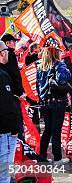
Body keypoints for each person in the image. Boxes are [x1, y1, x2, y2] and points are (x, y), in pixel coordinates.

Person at [36, 46, 71, 163]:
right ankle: (57, 158)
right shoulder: (59, 64)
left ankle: (41, 156)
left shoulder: (40, 67)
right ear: (55, 53)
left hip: (45, 102)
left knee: (47, 130)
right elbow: (62, 80)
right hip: (57, 101)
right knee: (56, 130)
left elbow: (38, 86)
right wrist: (67, 72)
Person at [0, 41, 20, 183]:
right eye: (6, 51)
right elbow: (6, 105)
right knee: (4, 172)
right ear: (2, 53)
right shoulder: (2, 75)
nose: (8, 53)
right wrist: (14, 128)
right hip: (4, 131)